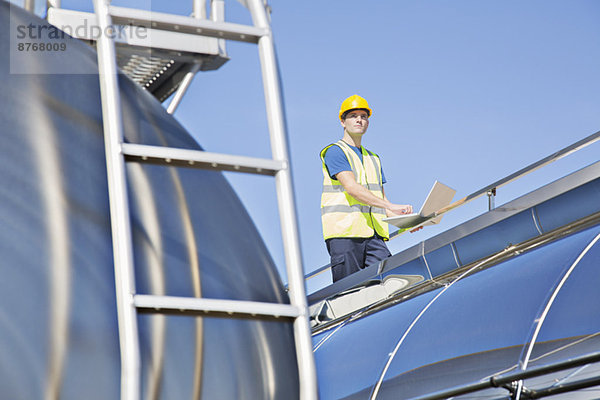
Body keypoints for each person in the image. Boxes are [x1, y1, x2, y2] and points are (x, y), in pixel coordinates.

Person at [320, 95, 414, 283]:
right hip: (345, 235)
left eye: (363, 116)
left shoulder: (373, 159)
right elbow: (352, 187)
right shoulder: (335, 151)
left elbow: (385, 205)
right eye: (353, 115)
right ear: (342, 121)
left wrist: (407, 222)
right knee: (348, 292)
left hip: (373, 237)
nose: (359, 120)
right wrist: (392, 206)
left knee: (388, 282)